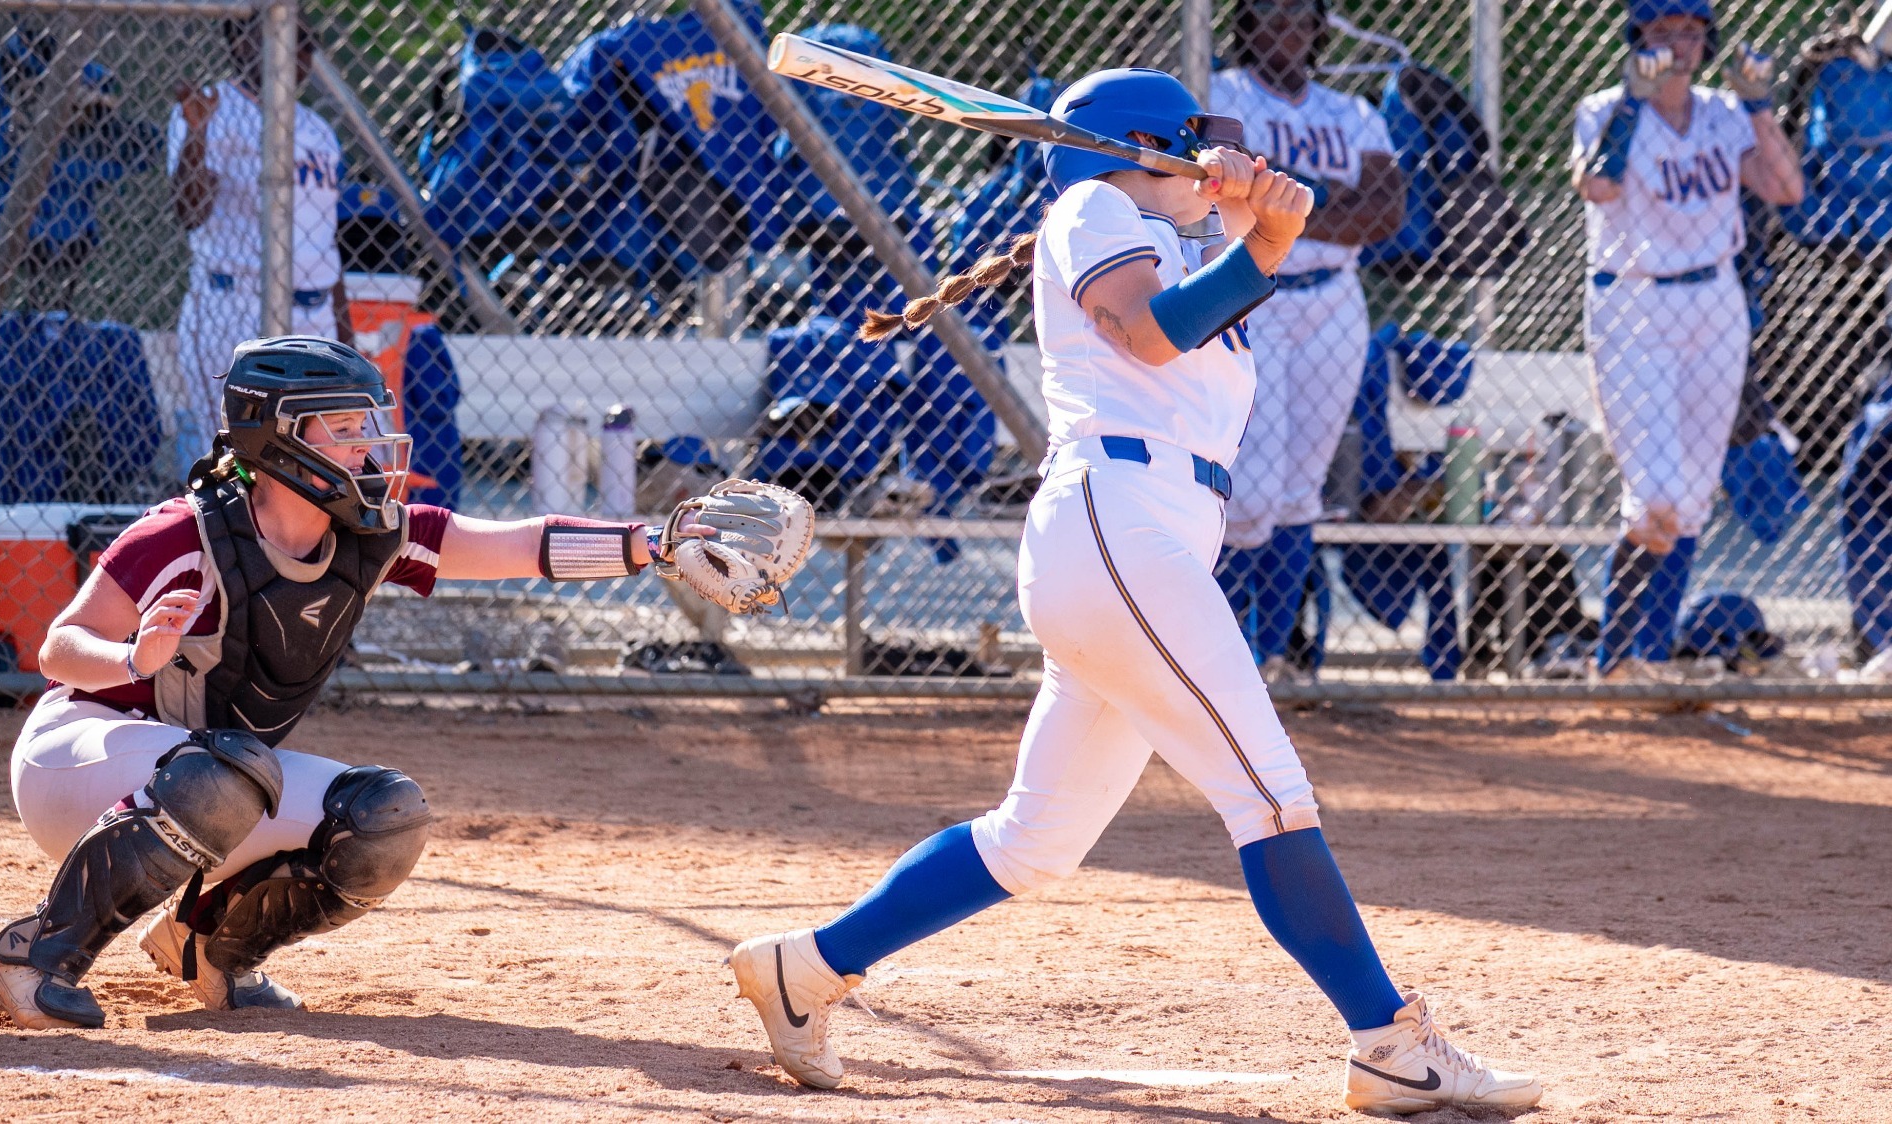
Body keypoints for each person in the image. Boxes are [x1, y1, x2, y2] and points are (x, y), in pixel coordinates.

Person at [728, 69, 1540, 1114]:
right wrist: (1261, 242)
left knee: (1033, 839)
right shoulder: (1091, 205)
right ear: (1143, 146)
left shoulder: (1161, 234)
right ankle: (1389, 1043)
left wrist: (1250, 222)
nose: (1212, 153)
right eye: (1192, 140)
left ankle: (803, 967)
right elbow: (1149, 331)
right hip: (1117, 523)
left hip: (1135, 537)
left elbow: (1192, 301)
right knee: (1269, 796)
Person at [0, 336, 799, 1030]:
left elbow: (518, 544)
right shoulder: (184, 534)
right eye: (343, 428)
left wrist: (654, 542)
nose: (367, 446)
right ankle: (34, 960)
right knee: (223, 774)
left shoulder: (370, 534)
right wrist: (134, 660)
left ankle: (208, 945)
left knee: (382, 817)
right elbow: (58, 649)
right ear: (275, 438)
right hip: (76, 759)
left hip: (212, 776)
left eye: (368, 424)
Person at [1571, 0, 1803, 678]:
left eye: (1692, 32)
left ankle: (1644, 662)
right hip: (1633, 302)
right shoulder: (1603, 108)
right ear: (1637, 38)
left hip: (1714, 304)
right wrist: (1633, 104)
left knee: (1693, 504)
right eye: (1663, 32)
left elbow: (1785, 187)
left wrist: (1759, 106)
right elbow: (1597, 185)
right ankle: (1614, 658)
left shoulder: (1725, 114)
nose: (1678, 45)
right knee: (1656, 497)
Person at [1207, 0, 1405, 682]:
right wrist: (1328, 204)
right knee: (1251, 493)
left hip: (1333, 304)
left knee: (1300, 493)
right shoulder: (1224, 94)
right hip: (1252, 291)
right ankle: (1220, 656)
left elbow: (1385, 212)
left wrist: (1286, 208)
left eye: (1299, 16)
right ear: (1246, 26)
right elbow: (1231, 199)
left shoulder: (1353, 111)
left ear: (1319, 28)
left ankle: (1275, 657)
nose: (1285, 29)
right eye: (1269, 16)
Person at [167, 18, 351, 472]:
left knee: (316, 461)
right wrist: (197, 135)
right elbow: (191, 212)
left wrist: (345, 335)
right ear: (238, 40)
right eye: (285, 36)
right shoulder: (211, 108)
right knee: (237, 459)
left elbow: (324, 239)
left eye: (307, 41)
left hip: (314, 315)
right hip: (233, 305)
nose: (298, 51)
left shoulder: (318, 129)